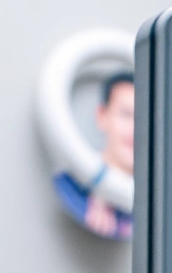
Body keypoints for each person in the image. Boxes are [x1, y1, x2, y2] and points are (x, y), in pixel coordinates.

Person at [54, 72, 135, 239]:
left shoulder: (159, 206)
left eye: (145, 118)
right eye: (126, 114)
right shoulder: (70, 183)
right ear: (102, 116)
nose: (135, 129)